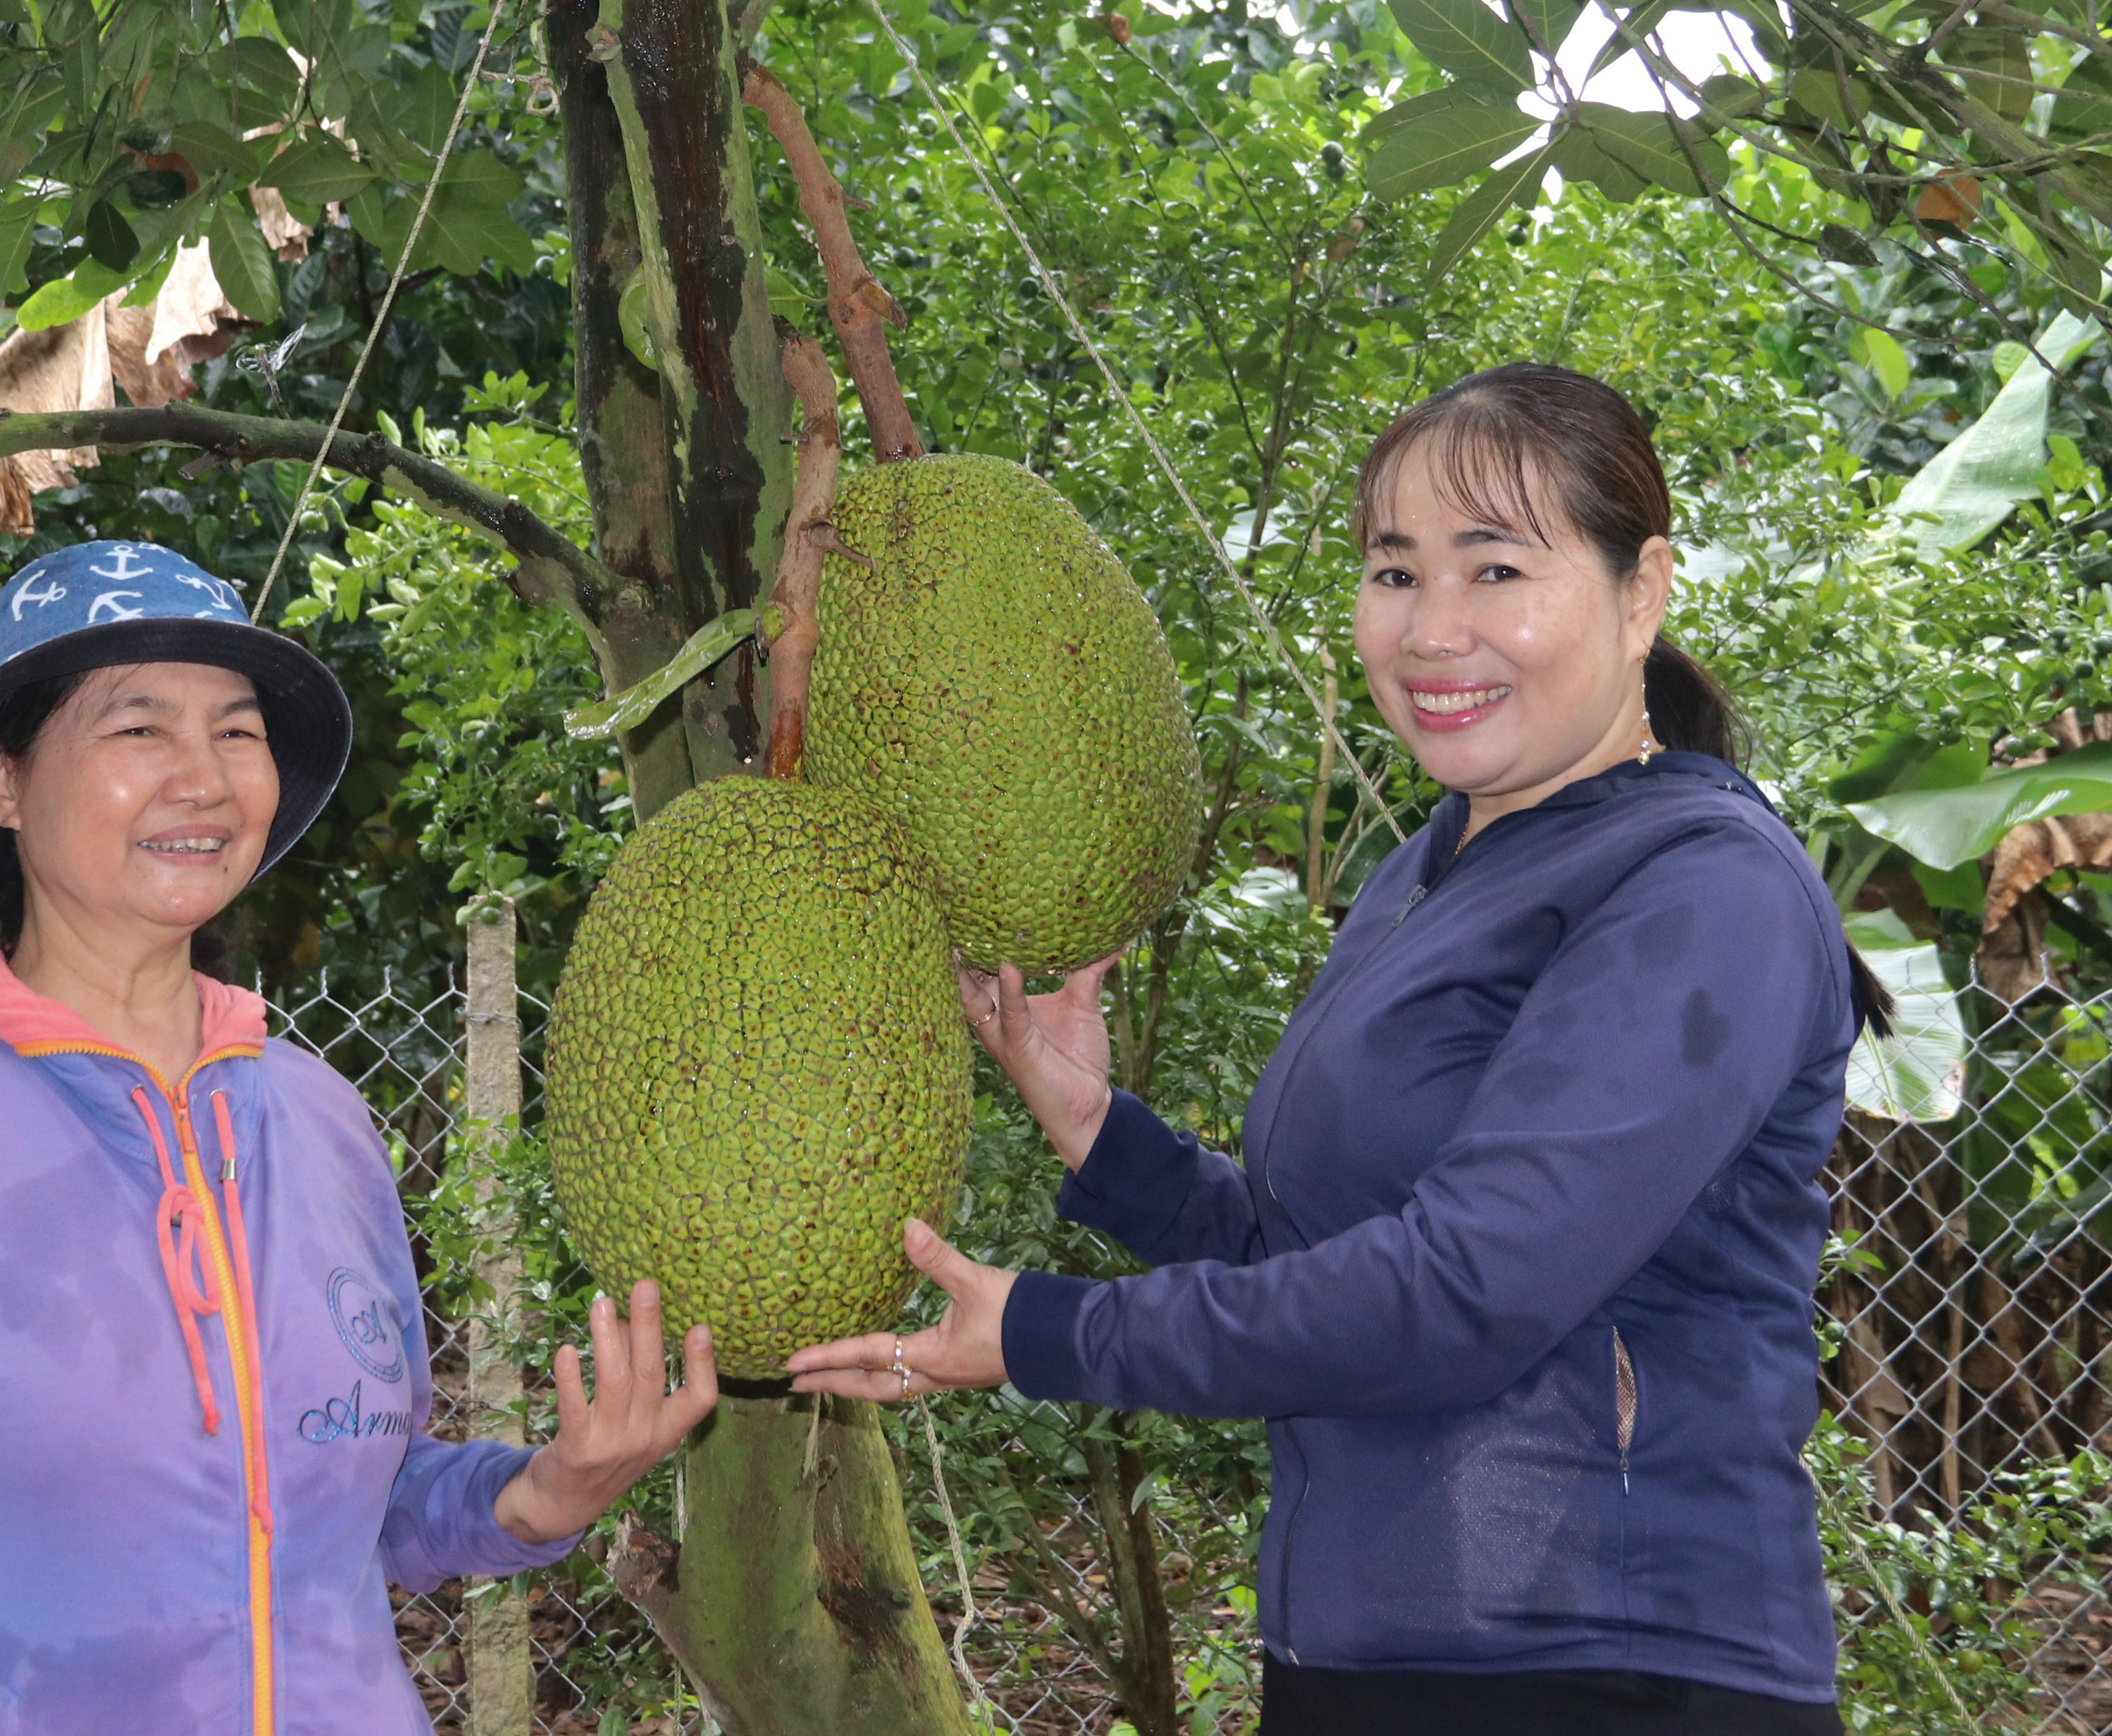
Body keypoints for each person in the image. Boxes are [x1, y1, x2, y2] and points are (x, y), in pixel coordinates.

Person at [791, 363, 1883, 1735]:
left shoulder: (1704, 887)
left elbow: (1463, 1291)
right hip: (1369, 1662)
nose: (1433, 631)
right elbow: (1320, 1270)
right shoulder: (1426, 872)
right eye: (1394, 571)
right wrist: (1101, 1132)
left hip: (1611, 1672)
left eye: (1495, 570)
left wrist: (1046, 1328)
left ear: (1642, 586)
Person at [0, 538, 716, 1735]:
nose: (205, 777)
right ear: (2, 781)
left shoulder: (320, 1118)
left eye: (236, 729)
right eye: (139, 727)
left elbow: (364, 1501)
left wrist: (547, 1489)